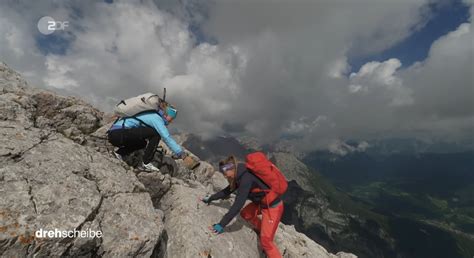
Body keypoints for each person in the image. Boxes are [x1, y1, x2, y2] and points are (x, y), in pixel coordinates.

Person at [202, 155, 285, 258]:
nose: (225, 176)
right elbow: (226, 191)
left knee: (266, 242)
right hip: (260, 203)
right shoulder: (238, 175)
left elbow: (238, 204)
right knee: (245, 214)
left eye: (225, 173)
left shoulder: (245, 179)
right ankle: (261, 229)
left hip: (272, 207)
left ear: (231, 168)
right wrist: (210, 198)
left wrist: (221, 224)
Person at [107, 102, 186, 172]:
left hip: (115, 135)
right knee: (156, 134)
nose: (171, 121)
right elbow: (166, 137)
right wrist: (180, 153)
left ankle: (119, 153)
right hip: (119, 134)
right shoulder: (156, 118)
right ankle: (146, 163)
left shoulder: (153, 114)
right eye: (171, 118)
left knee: (142, 143)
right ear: (166, 114)